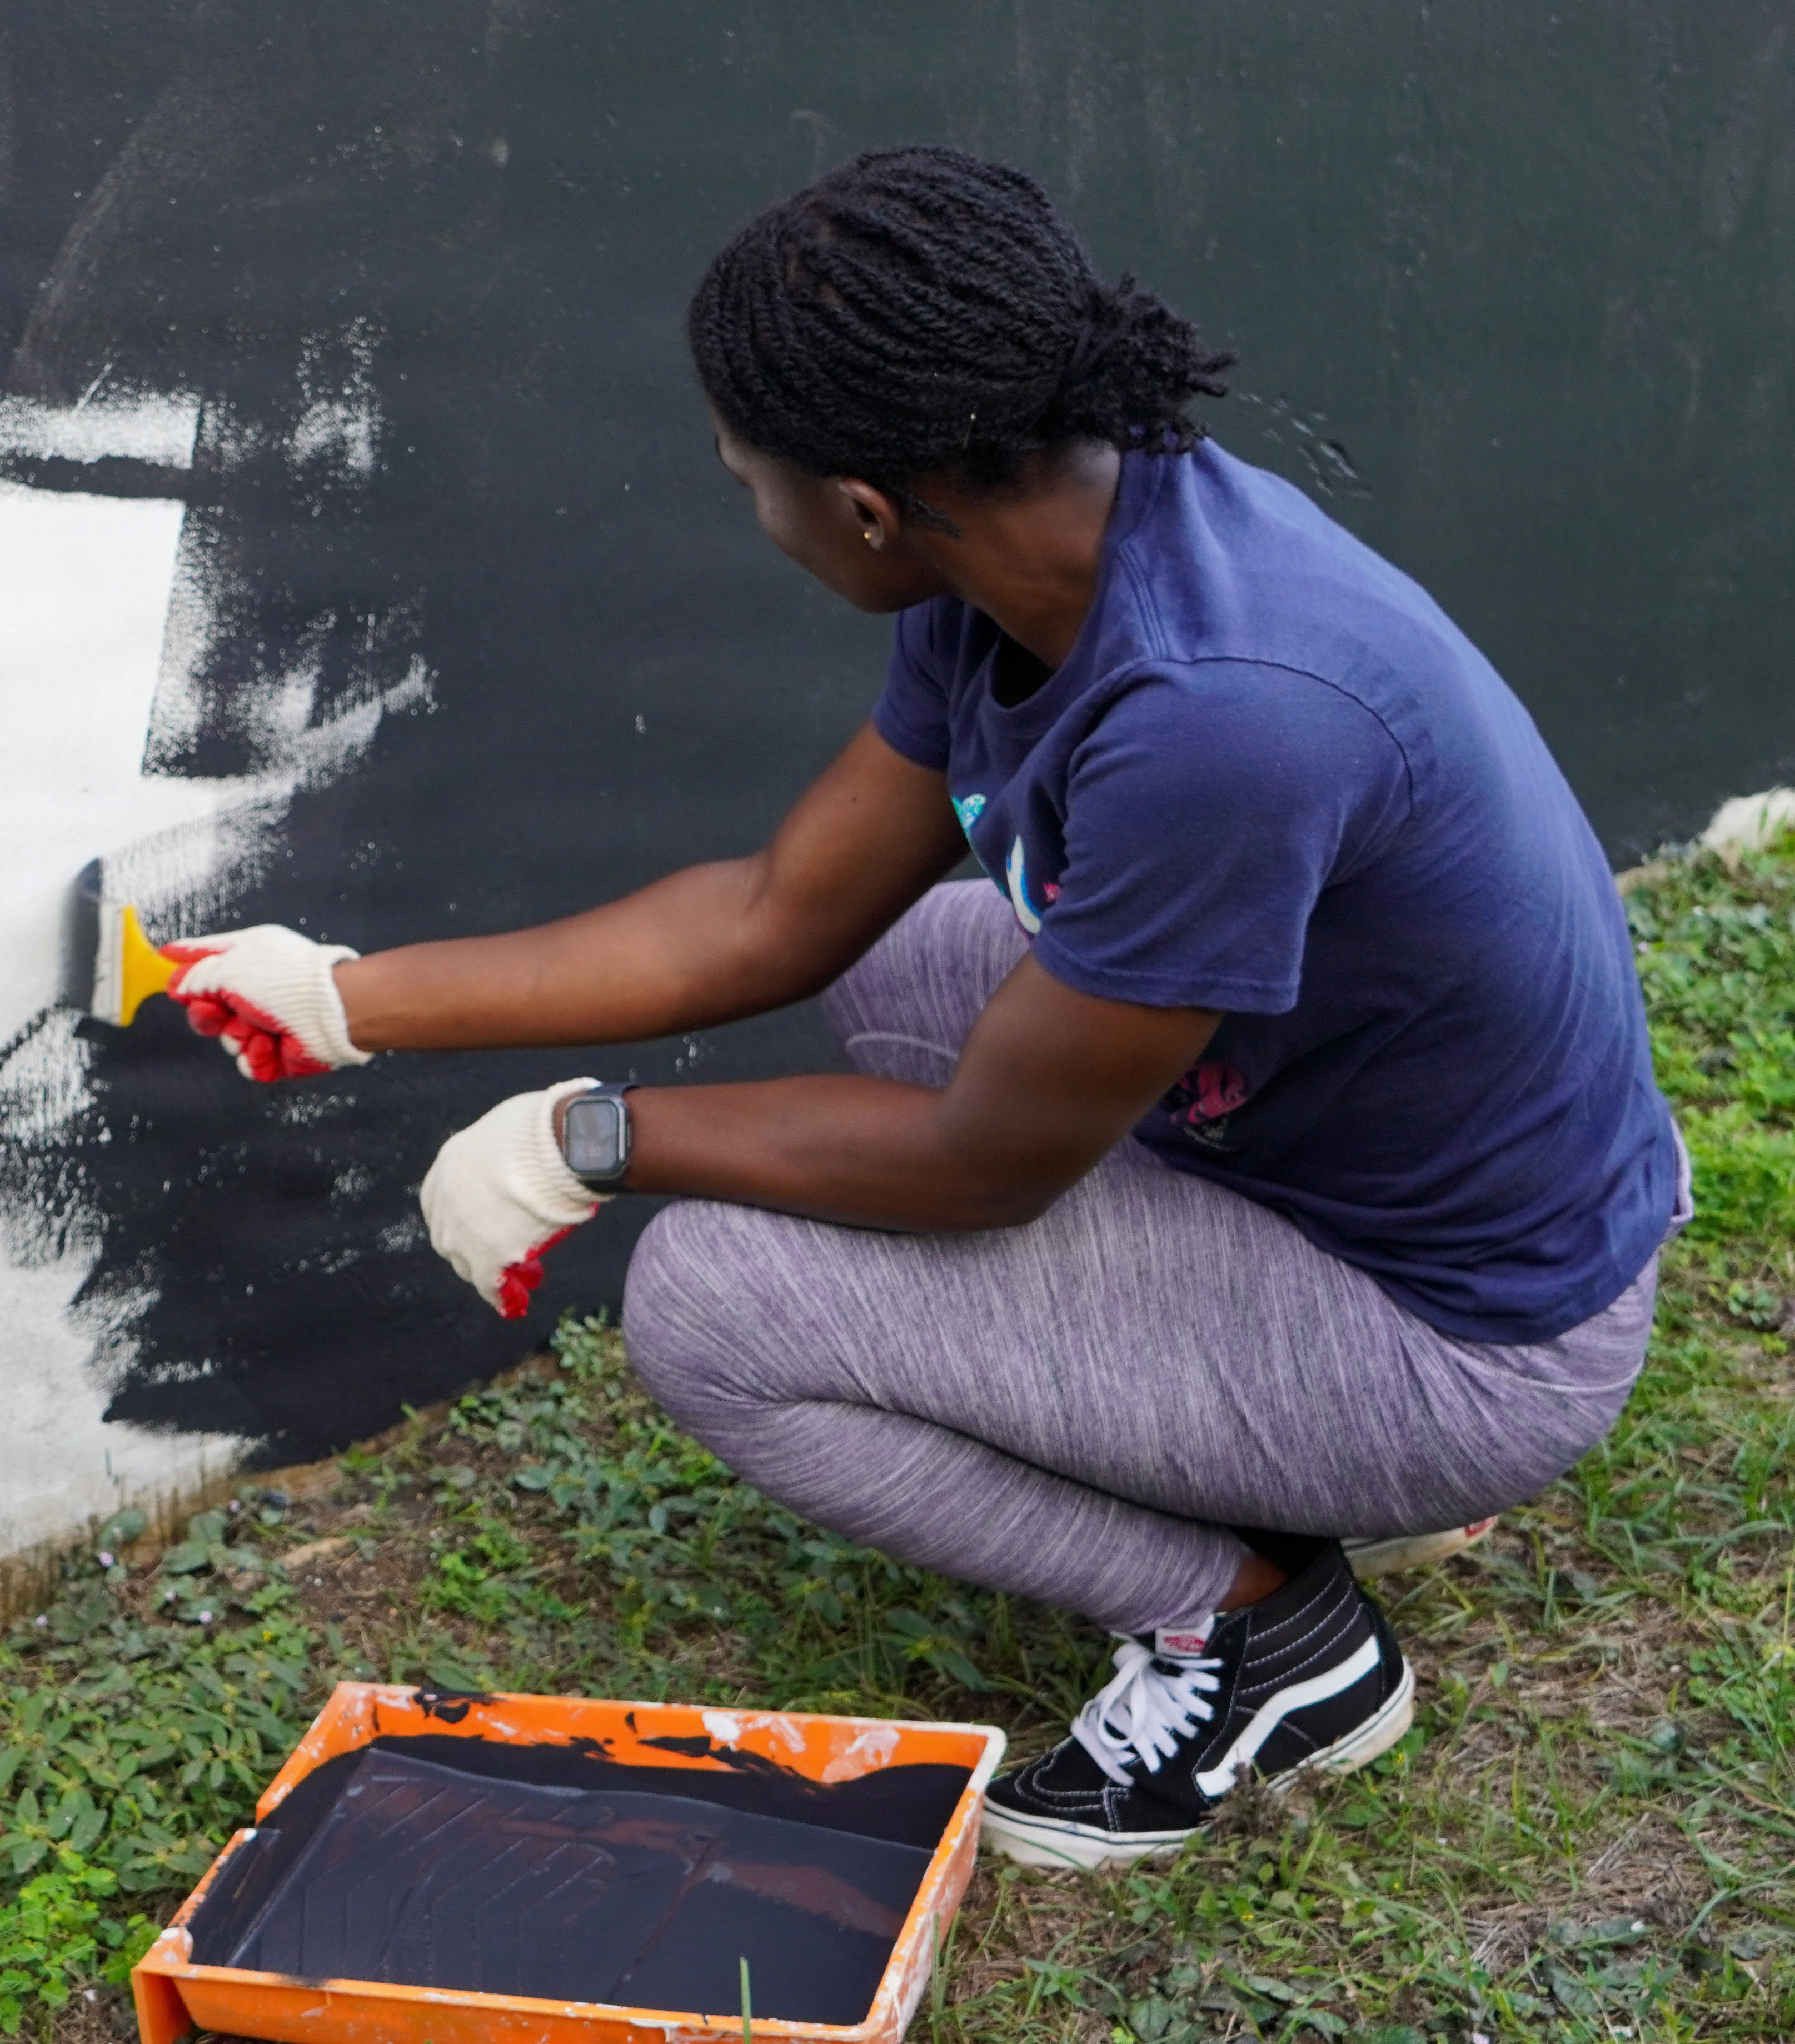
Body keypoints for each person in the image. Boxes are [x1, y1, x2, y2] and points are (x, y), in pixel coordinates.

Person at [154, 146, 1686, 1870]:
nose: (754, 512)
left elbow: (981, 1168)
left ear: (868, 506)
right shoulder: (1047, 548)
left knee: (720, 1304)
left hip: (1471, 1343)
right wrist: (355, 999)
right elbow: (777, 915)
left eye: (754, 483)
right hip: (1343, 1181)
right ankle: (1262, 1461)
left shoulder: (1223, 719)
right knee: (913, 959)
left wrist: (595, 1139)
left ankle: (1267, 1635)